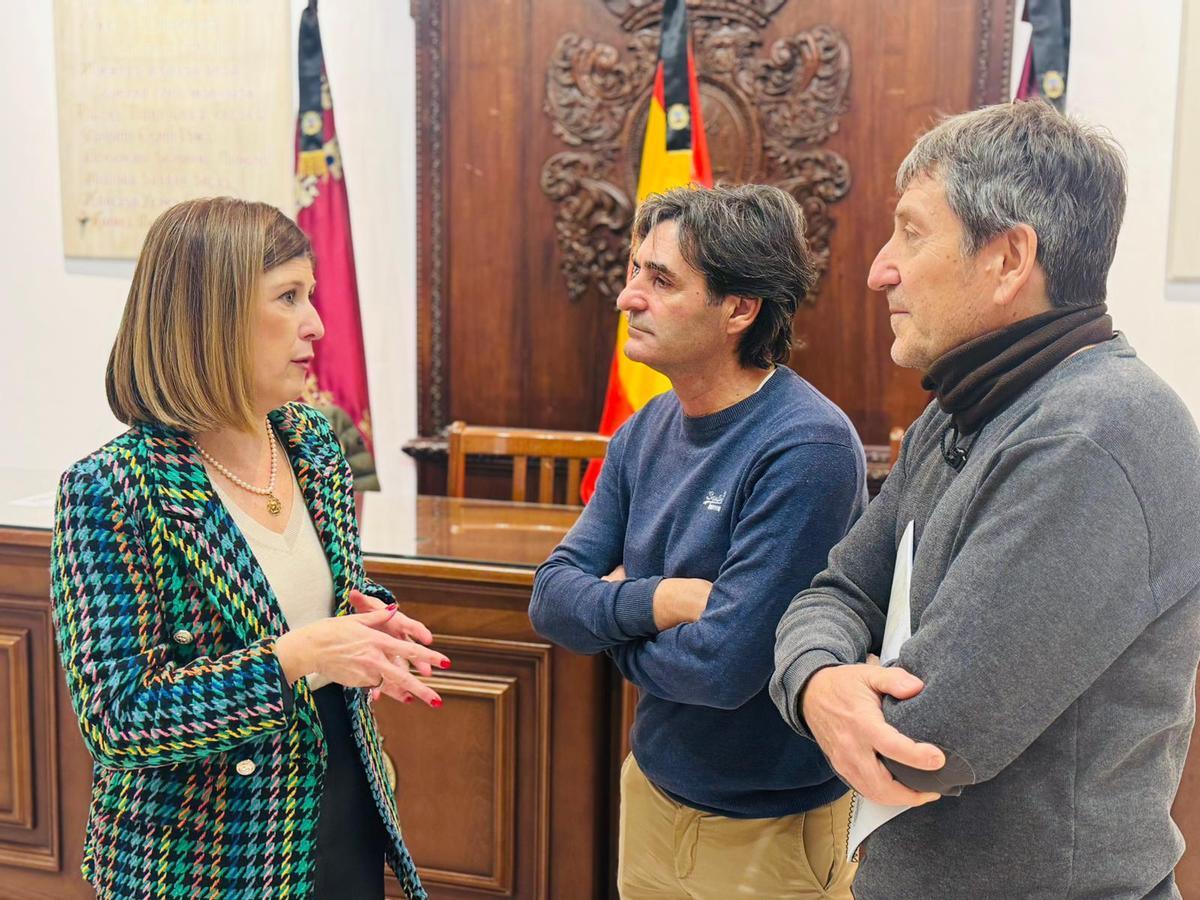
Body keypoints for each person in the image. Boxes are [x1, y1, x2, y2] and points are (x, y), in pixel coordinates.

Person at [771, 100, 1200, 899]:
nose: (879, 267)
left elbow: (924, 740)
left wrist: (812, 680)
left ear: (1009, 259)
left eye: (913, 231)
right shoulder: (964, 407)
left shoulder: (1095, 433)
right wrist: (817, 681)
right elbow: (838, 591)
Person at [51, 197, 448, 899]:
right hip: (204, 850)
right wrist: (298, 655)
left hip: (339, 796)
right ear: (214, 316)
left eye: (312, 295)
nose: (316, 323)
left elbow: (320, 595)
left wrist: (371, 626)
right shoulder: (113, 486)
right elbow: (119, 718)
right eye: (288, 297)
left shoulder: (311, 439)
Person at [529, 184, 867, 898]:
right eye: (634, 272)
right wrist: (664, 601)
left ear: (738, 310)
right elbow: (551, 600)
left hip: (767, 829)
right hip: (652, 786)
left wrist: (611, 620)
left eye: (660, 280)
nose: (628, 297)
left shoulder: (808, 446)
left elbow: (725, 669)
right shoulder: (644, 429)